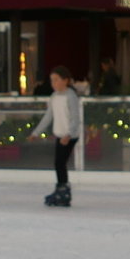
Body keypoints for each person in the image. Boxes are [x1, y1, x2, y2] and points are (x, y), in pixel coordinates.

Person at [30, 67, 83, 207]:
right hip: (61, 135)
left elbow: (75, 118)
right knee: (59, 163)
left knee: (59, 163)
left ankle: (63, 191)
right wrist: (36, 132)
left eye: (56, 80)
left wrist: (69, 134)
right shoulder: (54, 96)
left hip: (69, 136)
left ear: (65, 81)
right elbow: (48, 117)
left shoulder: (70, 96)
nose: (53, 83)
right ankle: (62, 189)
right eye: (52, 80)